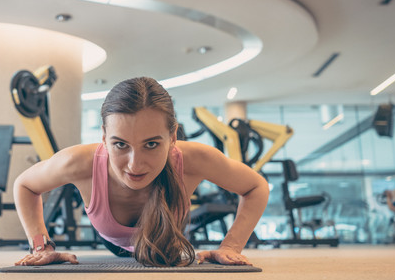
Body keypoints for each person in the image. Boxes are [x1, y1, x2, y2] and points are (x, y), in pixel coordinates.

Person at [13, 77, 269, 267]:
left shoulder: (196, 159)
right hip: (111, 242)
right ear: (104, 137)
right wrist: (41, 247)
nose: (135, 165)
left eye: (151, 144)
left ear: (173, 136)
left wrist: (231, 246)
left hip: (166, 241)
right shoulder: (78, 161)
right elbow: (25, 185)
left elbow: (255, 187)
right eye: (120, 144)